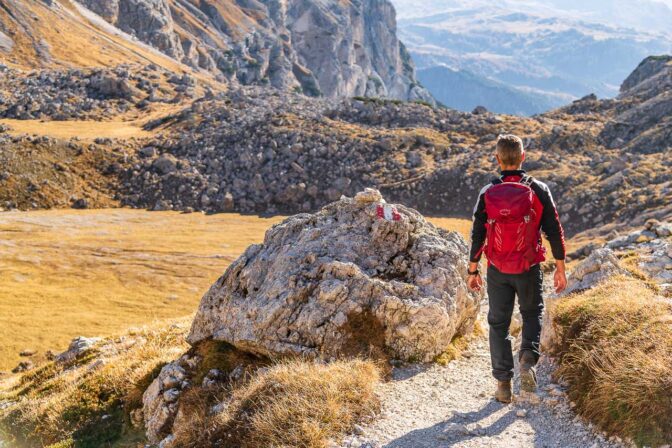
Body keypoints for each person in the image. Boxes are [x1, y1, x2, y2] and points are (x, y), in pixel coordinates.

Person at [467, 134, 567, 404]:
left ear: (497, 159)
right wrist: (560, 266)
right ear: (523, 157)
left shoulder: (487, 192)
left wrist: (473, 270)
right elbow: (554, 230)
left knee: (498, 323)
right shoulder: (538, 189)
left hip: (498, 269)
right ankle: (527, 361)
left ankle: (502, 384)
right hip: (529, 266)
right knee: (532, 313)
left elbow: (478, 233)